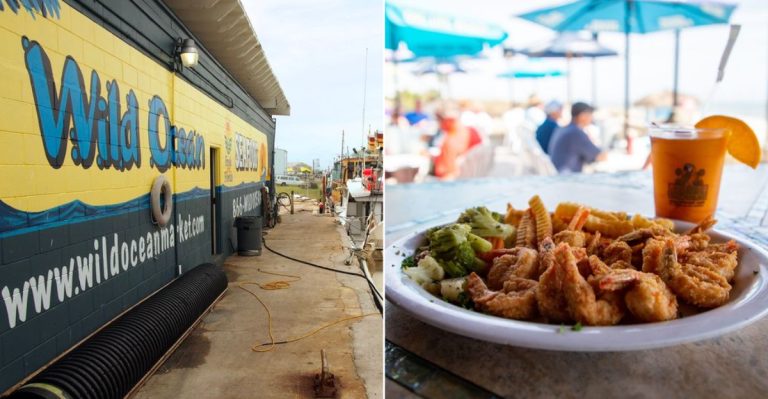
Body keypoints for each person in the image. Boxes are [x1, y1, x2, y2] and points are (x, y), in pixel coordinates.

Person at [548, 102, 606, 173]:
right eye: (590, 114)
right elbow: (600, 156)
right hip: (567, 177)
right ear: (582, 116)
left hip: (559, 173)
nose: (592, 118)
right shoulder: (576, 133)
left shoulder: (563, 129)